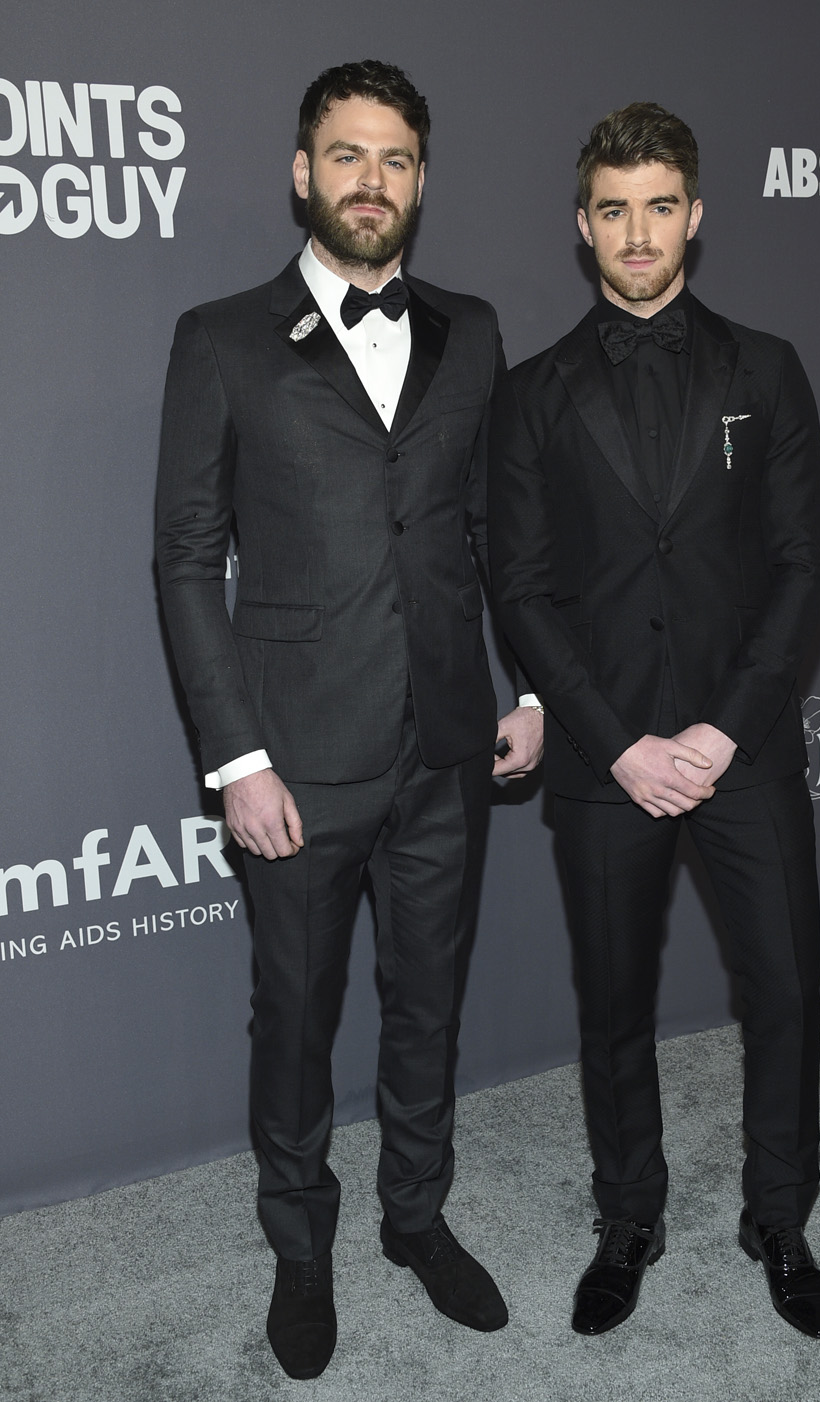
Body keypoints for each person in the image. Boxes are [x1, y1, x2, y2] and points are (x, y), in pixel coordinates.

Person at [155, 59, 542, 1380]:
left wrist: (531, 684)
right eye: (345, 155)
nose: (368, 181)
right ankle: (302, 1246)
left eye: (393, 159)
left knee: (427, 1003)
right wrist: (237, 754)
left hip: (448, 743)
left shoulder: (476, 330)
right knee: (299, 1013)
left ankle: (417, 1218)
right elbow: (186, 556)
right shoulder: (219, 339)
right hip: (296, 763)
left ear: (420, 181)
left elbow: (499, 532)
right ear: (301, 173)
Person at [488, 102, 820, 1340]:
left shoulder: (769, 367)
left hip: (739, 750)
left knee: (786, 986)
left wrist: (724, 733)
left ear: (696, 213)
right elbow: (519, 587)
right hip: (603, 757)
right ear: (584, 227)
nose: (638, 232)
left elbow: (800, 569)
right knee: (614, 1002)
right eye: (613, 210)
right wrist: (618, 741)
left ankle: (780, 1215)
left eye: (660, 206)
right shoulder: (531, 395)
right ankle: (628, 1211)